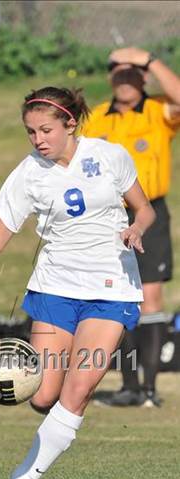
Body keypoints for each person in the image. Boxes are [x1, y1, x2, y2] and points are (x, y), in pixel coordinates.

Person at [0, 86, 156, 479]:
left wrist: (137, 227)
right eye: (30, 132)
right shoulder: (28, 174)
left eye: (45, 130)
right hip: (54, 290)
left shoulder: (109, 156)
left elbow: (146, 208)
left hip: (111, 289)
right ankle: (51, 425)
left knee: (78, 389)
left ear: (70, 123)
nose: (38, 140)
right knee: (44, 395)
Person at [82, 47, 180, 407]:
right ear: (110, 78)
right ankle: (128, 386)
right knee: (115, 296)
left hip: (149, 213)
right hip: (107, 216)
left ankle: (150, 389)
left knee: (151, 297)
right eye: (119, 73)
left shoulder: (158, 110)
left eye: (133, 74)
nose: (126, 80)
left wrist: (149, 59)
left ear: (144, 78)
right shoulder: (96, 119)